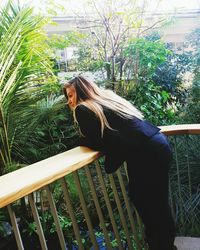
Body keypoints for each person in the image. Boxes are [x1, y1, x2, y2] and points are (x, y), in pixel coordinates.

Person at [63, 75, 176, 250]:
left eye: (71, 95)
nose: (69, 101)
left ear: (82, 91)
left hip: (146, 154)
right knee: (157, 203)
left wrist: (83, 141)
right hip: (157, 143)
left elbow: (102, 140)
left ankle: (161, 246)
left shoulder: (83, 109)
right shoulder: (107, 97)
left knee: (147, 203)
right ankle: (165, 245)